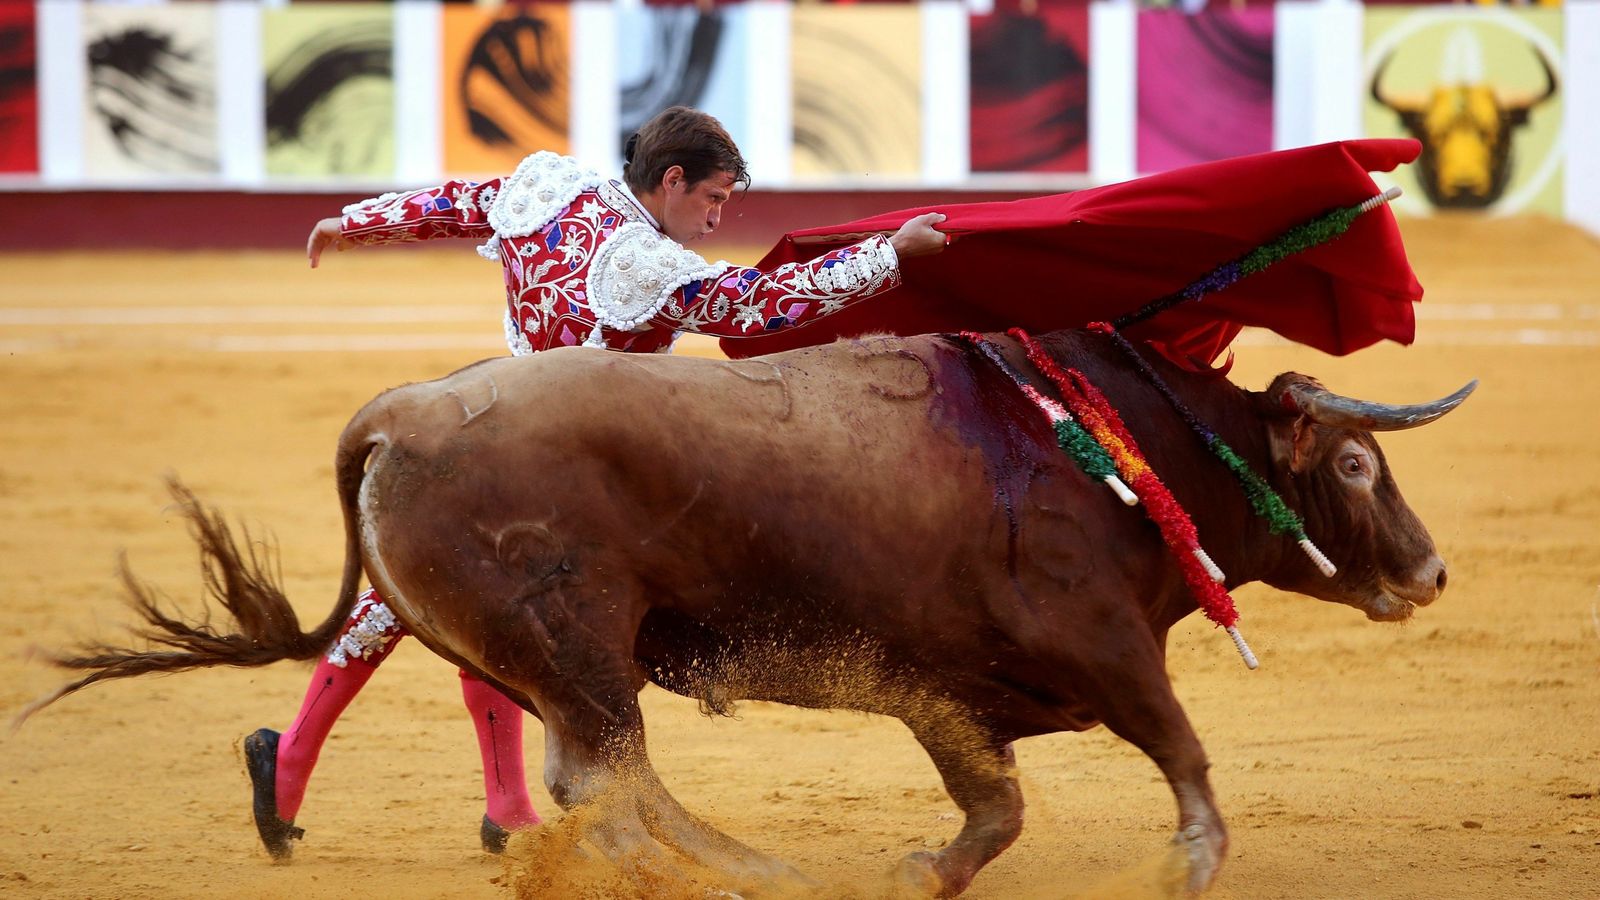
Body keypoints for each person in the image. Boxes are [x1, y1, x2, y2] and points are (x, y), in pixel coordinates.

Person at [244, 105, 948, 861]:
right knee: (475, 611)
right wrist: (889, 258)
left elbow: (457, 204)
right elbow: (755, 304)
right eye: (711, 199)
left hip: (495, 425)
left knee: (456, 609)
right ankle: (353, 774)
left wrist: (355, 224)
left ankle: (410, 787)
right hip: (569, 472)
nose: (716, 219)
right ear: (671, 180)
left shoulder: (553, 189)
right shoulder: (644, 264)